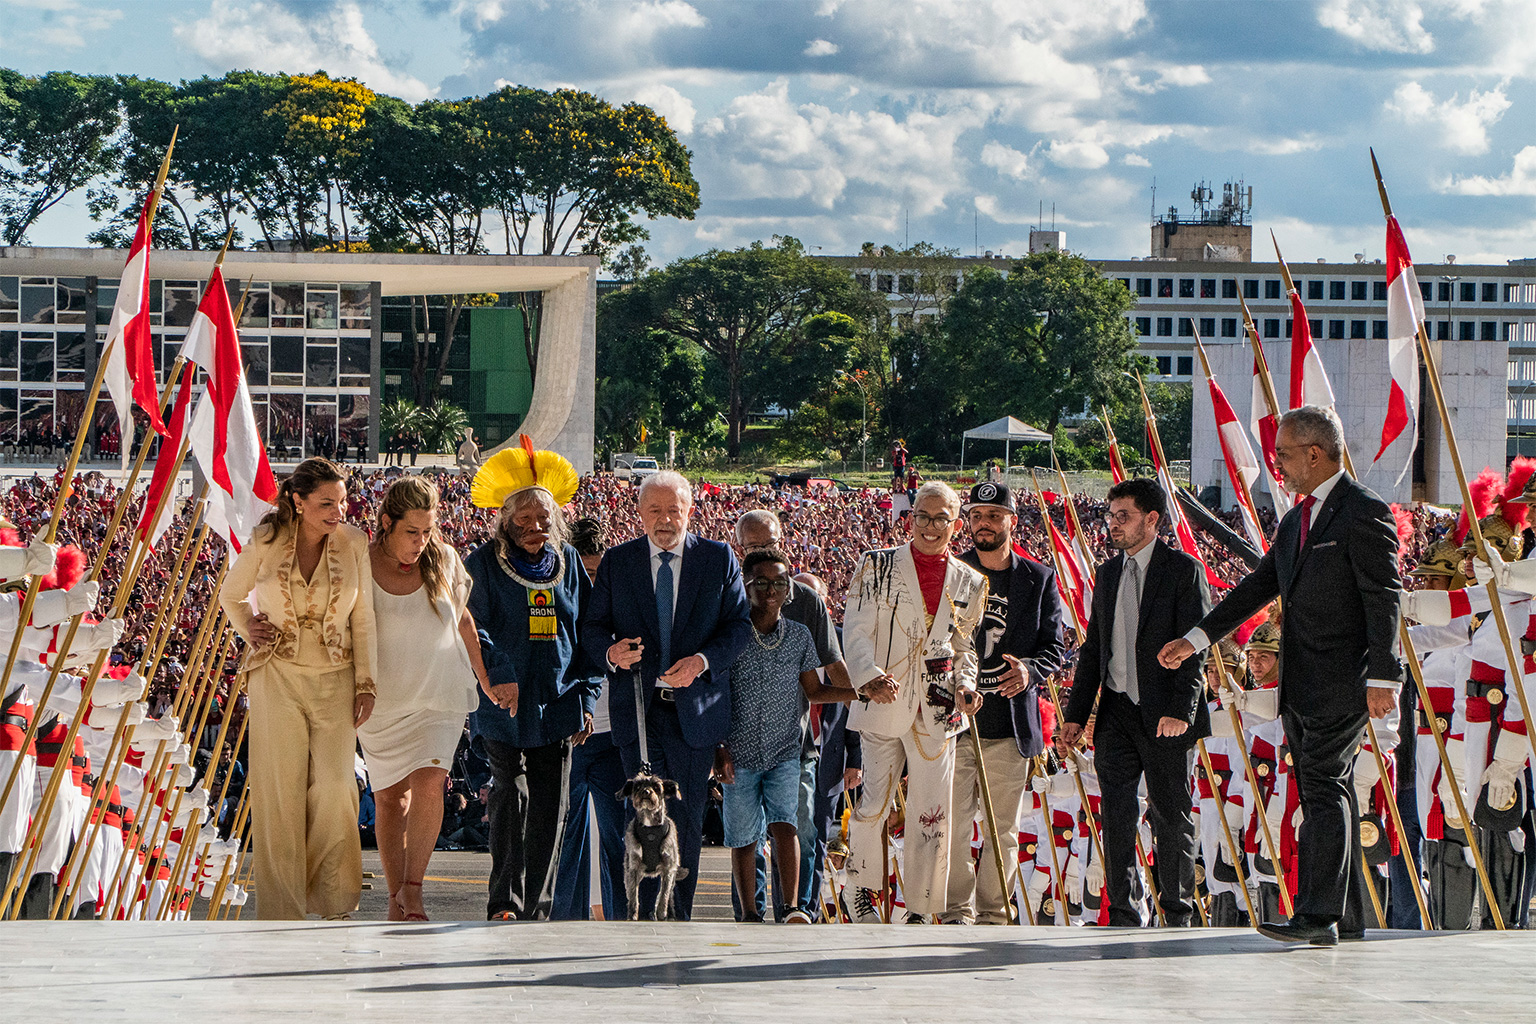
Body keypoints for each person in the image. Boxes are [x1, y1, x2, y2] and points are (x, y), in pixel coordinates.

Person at [1159, 405, 1404, 946]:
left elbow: (1384, 596)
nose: (1278, 466)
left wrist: (1385, 678)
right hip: (1300, 683)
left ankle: (1317, 918)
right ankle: (1348, 916)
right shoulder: (1297, 519)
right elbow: (1257, 587)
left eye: (1285, 454)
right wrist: (1196, 639)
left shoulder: (1363, 511)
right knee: (1324, 787)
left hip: (1345, 678)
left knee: (1323, 787)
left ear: (1316, 453)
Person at [580, 470, 753, 921]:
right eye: (654, 510)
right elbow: (593, 628)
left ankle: (677, 918)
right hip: (637, 711)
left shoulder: (717, 559)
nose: (664, 519)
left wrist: (701, 662)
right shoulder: (619, 563)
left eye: (673, 509)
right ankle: (632, 917)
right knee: (638, 818)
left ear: (690, 511)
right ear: (639, 514)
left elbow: (738, 627)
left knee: (687, 820)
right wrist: (611, 653)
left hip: (693, 716)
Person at [218, 457, 379, 921]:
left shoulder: (354, 543)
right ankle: (282, 909)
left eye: (342, 501)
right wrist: (250, 625)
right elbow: (231, 594)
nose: (338, 511)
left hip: (337, 677)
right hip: (277, 676)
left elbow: (362, 617)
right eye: (327, 503)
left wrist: (366, 683)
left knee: (334, 787)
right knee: (279, 792)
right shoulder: (266, 539)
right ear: (298, 500)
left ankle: (332, 900)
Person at [1062, 476, 1211, 927]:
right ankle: (1125, 912)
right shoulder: (1108, 574)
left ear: (1152, 519)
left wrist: (1180, 712)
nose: (1113, 525)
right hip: (1116, 713)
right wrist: (1076, 714)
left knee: (1171, 814)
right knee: (1117, 815)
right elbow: (1094, 650)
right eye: (1110, 516)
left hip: (1165, 714)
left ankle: (1176, 912)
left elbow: (1196, 646)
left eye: (1122, 516)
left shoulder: (1182, 570)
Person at [842, 481, 986, 923]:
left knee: (932, 811)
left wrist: (966, 686)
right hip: (884, 696)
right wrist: (867, 678)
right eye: (922, 516)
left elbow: (964, 648)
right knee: (874, 803)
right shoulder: (876, 565)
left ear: (956, 525)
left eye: (941, 518)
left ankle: (922, 906)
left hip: (940, 705)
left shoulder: (971, 580)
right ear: (910, 519)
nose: (930, 526)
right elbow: (856, 630)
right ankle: (861, 889)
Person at [465, 440, 598, 922]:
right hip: (501, 705)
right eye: (524, 520)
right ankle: (504, 901)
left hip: (559, 702)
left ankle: (537, 907)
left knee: (549, 806)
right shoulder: (481, 564)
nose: (535, 528)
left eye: (544, 520)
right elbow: (470, 626)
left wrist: (586, 697)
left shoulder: (570, 567)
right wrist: (499, 675)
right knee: (509, 794)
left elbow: (588, 634)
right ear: (504, 520)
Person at [358, 476, 490, 922]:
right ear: (386, 523)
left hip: (440, 695)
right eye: (411, 532)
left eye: (428, 531)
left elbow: (466, 623)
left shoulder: (445, 560)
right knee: (390, 800)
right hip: (382, 703)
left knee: (431, 782)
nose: (421, 541)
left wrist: (486, 681)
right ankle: (396, 896)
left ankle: (414, 889)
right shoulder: (360, 561)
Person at [943, 481, 1066, 925]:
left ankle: (994, 913)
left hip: (1011, 728)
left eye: (994, 516)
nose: (984, 524)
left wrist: (1031, 670)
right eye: (976, 516)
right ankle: (957, 911)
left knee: (1004, 832)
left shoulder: (1038, 577)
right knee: (953, 827)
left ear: (1012, 520)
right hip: (956, 724)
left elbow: (1057, 646)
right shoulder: (952, 571)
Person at [717, 548, 856, 922]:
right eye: (760, 582)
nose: (771, 590)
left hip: (785, 750)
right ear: (745, 586)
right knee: (744, 837)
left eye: (779, 582)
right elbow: (713, 695)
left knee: (786, 825)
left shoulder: (799, 635)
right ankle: (749, 913)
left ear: (789, 589)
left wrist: (861, 692)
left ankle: (792, 908)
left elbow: (815, 691)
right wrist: (717, 747)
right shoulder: (729, 634)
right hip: (738, 751)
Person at [551, 518, 628, 921]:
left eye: (597, 573)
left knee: (620, 838)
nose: (591, 582)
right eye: (583, 573)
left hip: (614, 734)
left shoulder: (620, 606)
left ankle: (622, 921)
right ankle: (564, 920)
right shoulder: (557, 607)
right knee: (566, 837)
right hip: (569, 732)